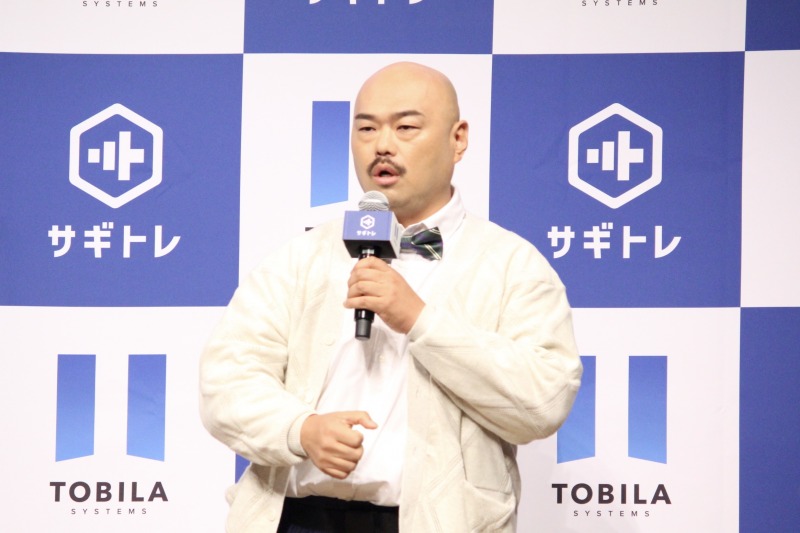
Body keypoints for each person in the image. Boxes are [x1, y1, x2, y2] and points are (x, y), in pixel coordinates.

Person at [199, 62, 582, 533]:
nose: (382, 145)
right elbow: (225, 383)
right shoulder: (300, 258)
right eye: (366, 128)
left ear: (458, 139)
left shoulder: (512, 264)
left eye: (406, 127)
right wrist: (301, 429)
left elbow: (543, 401)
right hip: (295, 519)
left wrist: (420, 320)